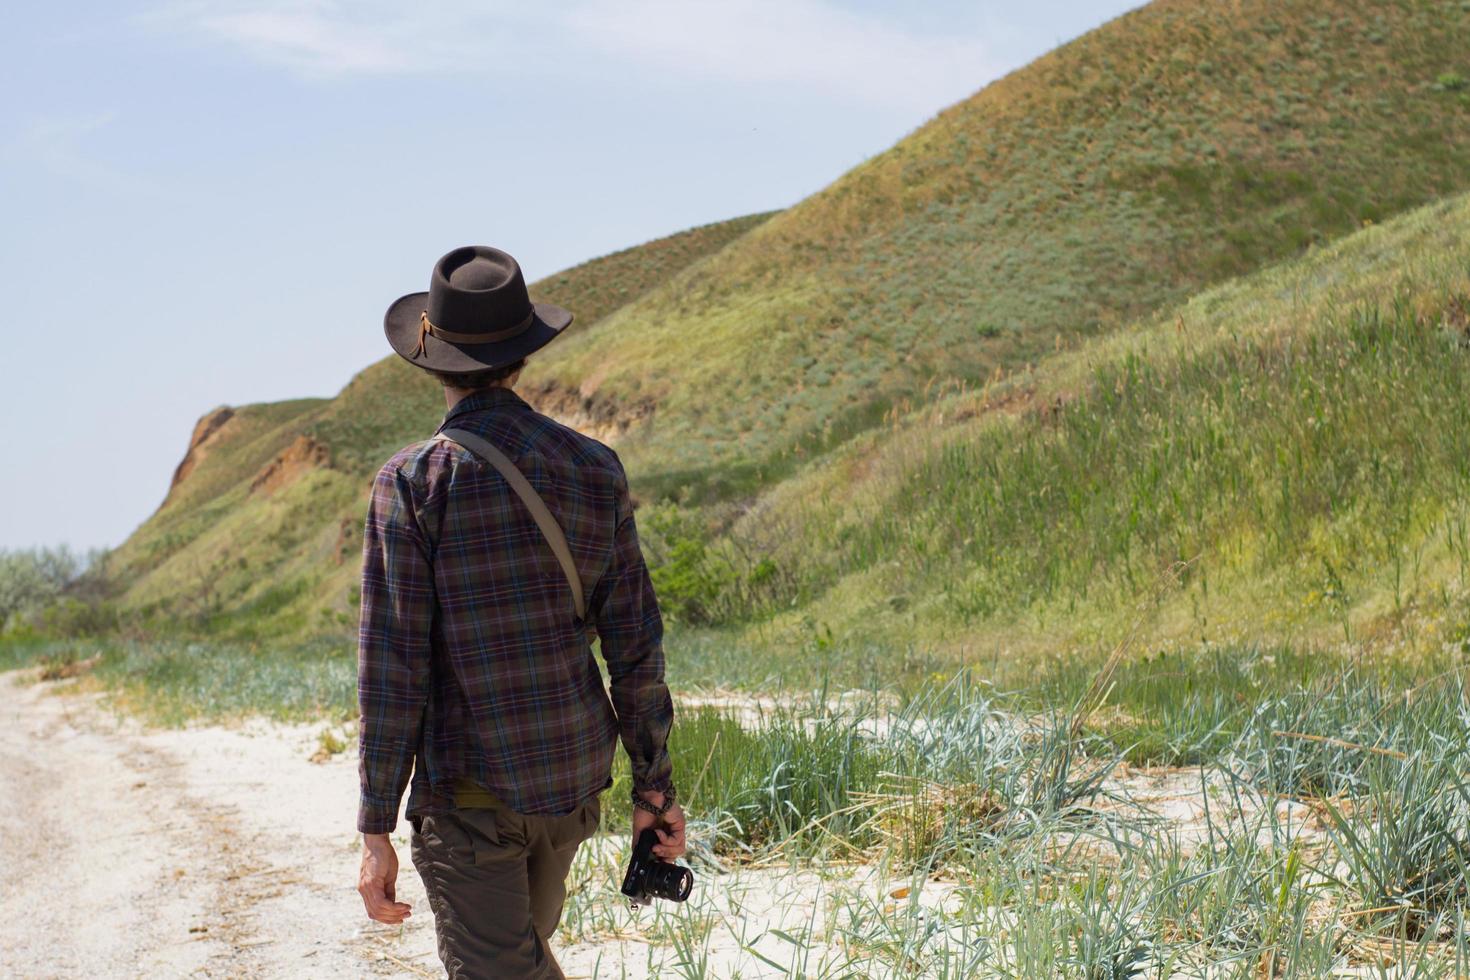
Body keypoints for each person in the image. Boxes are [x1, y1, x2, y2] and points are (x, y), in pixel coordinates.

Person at [354, 245, 685, 978]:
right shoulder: (593, 467)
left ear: (432, 357)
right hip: (569, 783)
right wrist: (654, 788)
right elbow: (636, 643)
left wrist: (376, 820)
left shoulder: (411, 484)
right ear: (521, 355)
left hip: (470, 794)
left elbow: (392, 669)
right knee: (521, 958)